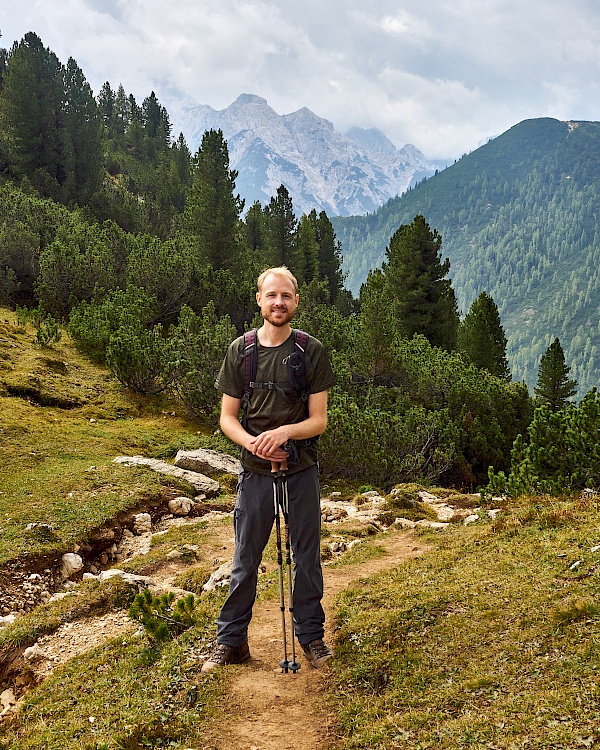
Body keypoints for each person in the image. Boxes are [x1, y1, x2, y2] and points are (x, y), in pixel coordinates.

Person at [201, 266, 336, 672]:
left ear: (296, 302)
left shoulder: (310, 351)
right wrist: (256, 444)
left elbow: (318, 420)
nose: (279, 303)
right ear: (258, 300)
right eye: (272, 295)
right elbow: (228, 418)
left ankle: (311, 638)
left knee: (307, 556)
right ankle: (231, 641)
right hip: (254, 470)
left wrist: (283, 435)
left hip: (301, 469)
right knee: (245, 557)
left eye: (286, 296)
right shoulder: (241, 352)